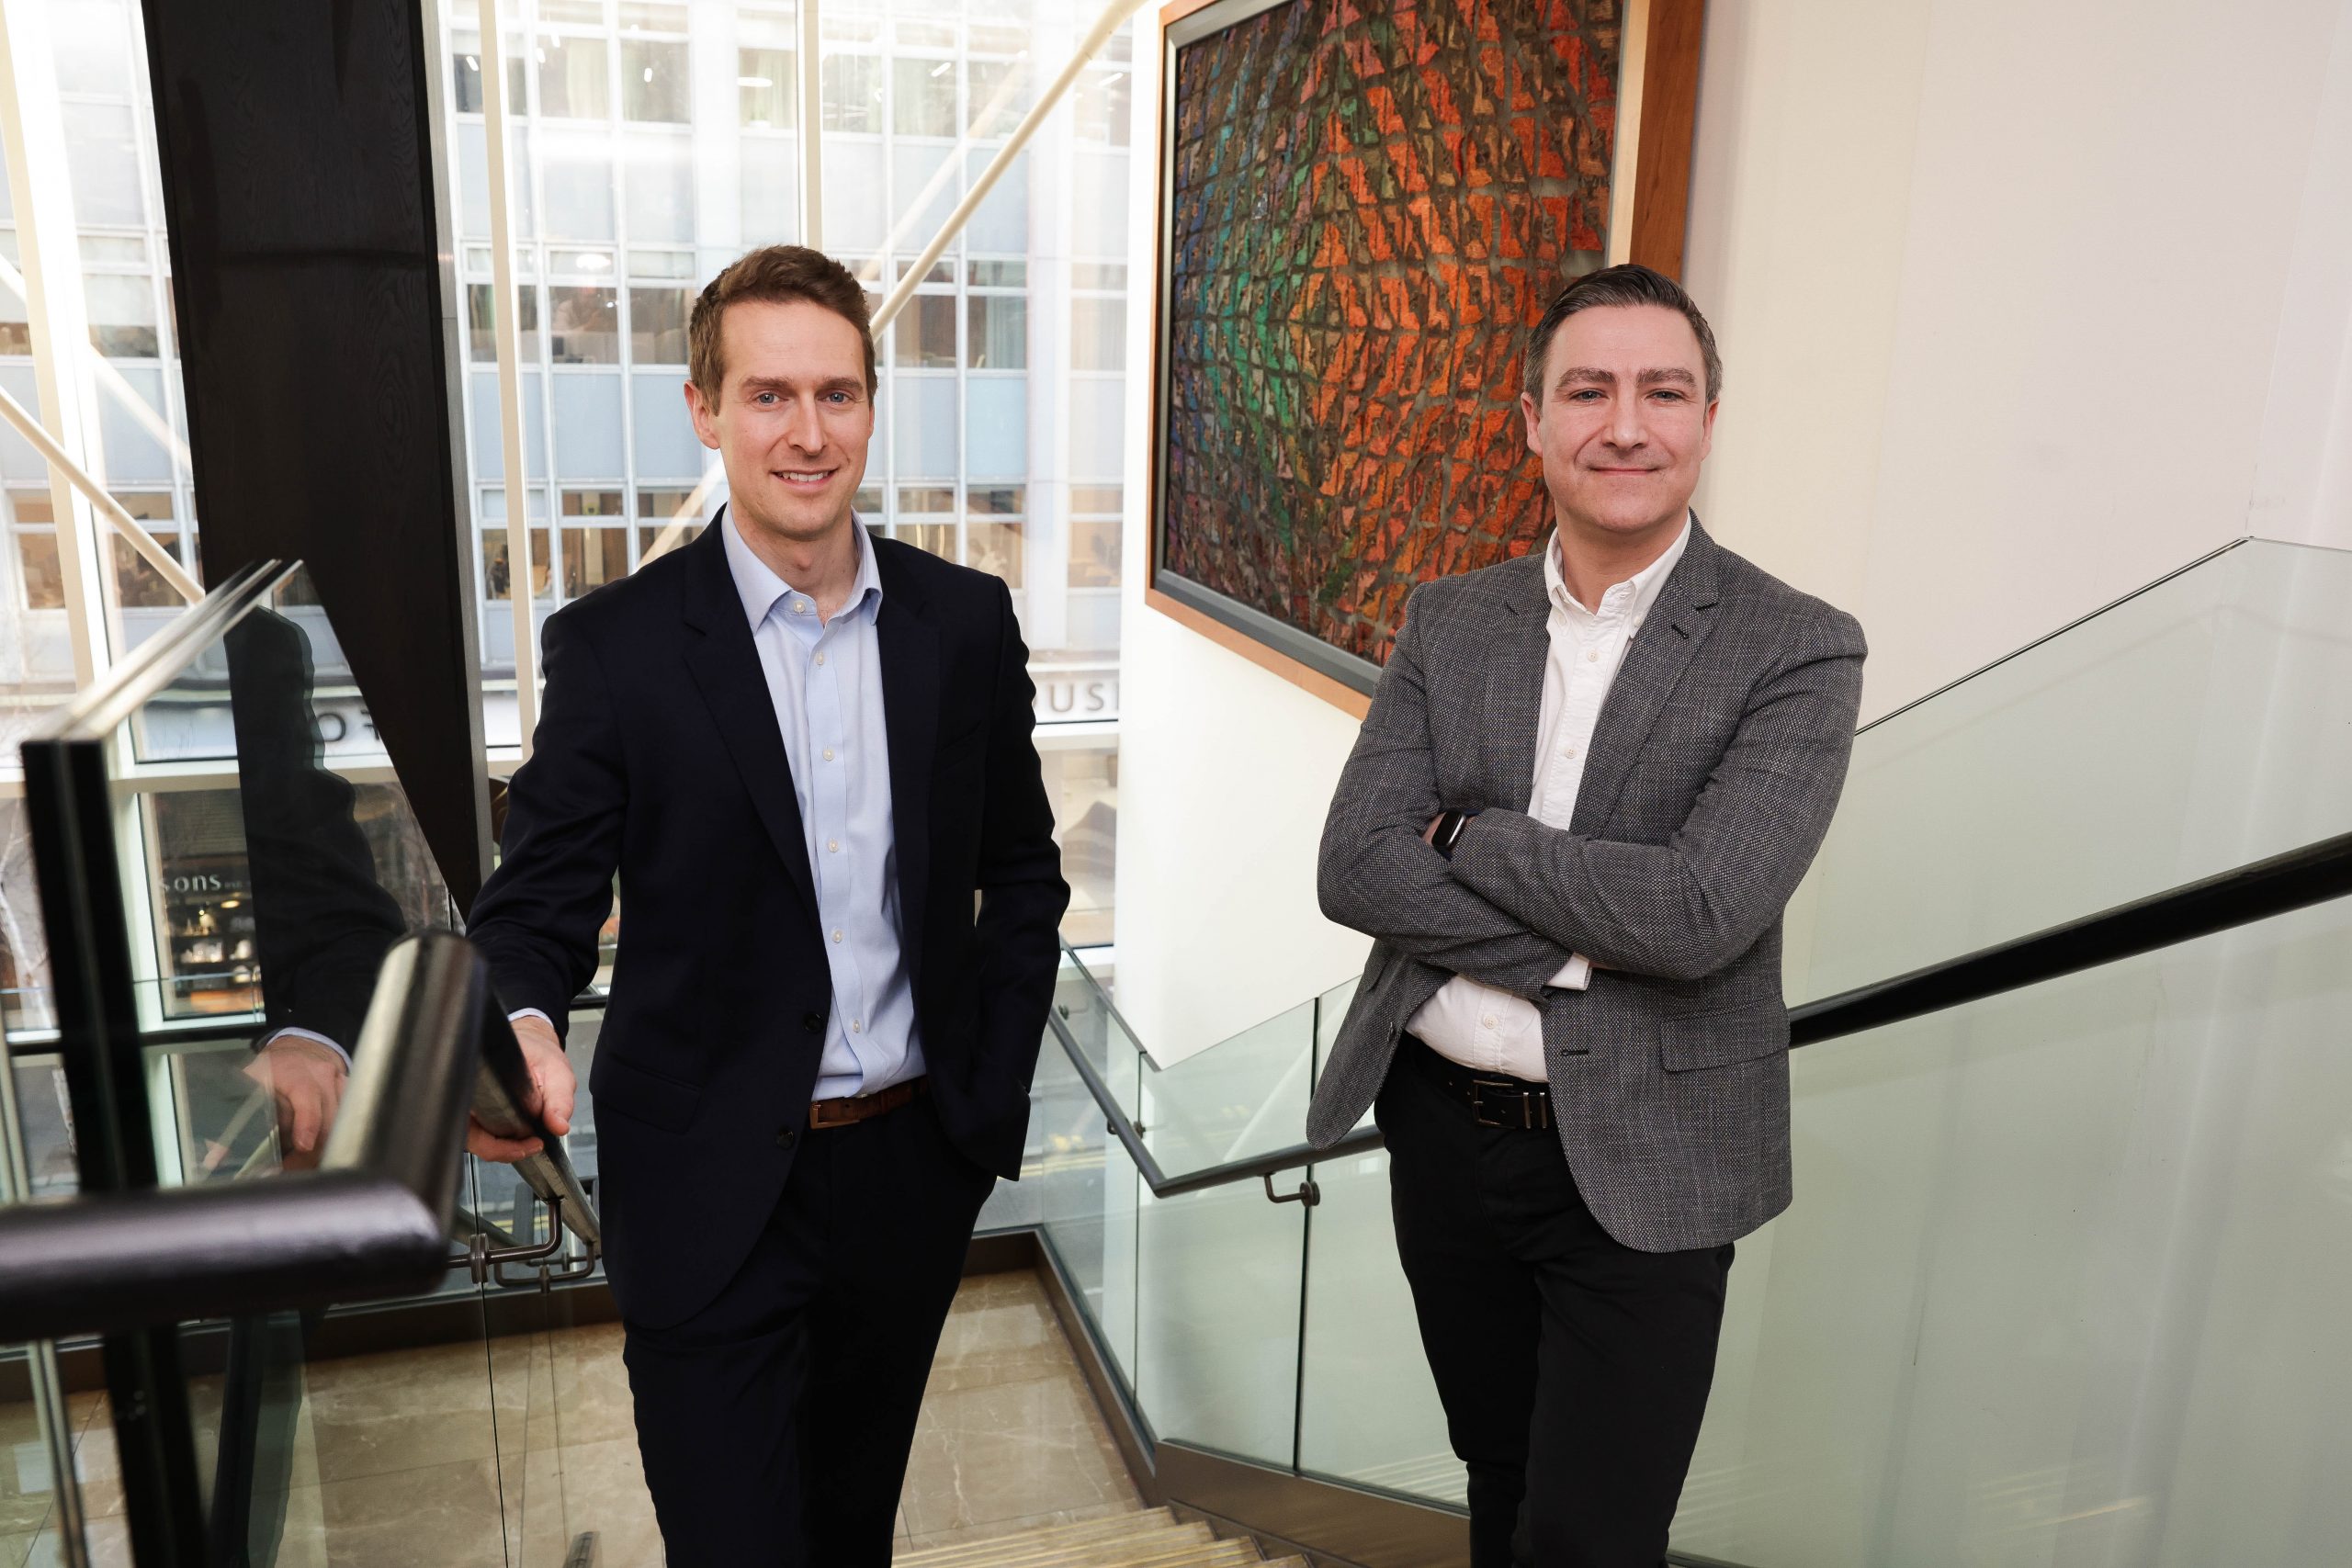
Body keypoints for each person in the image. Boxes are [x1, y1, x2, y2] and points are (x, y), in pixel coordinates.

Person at [464, 244, 1069, 1564]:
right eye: (769, 396)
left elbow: (1023, 874)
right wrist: (516, 1014)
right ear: (705, 409)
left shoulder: (962, 624)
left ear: (870, 405)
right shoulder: (616, 646)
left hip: (910, 1167)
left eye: (838, 396)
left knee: (851, 1530)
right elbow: (539, 905)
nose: (808, 434)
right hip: (703, 1186)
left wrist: (986, 1099)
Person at [1308, 264, 1866, 1567]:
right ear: (1533, 421)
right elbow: (1356, 866)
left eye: (1662, 391)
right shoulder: (1453, 619)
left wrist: (1478, 838)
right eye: (1589, 390)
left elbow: (1699, 913)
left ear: (1708, 417)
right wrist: (1580, 941)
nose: (1627, 424)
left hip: (1650, 1159)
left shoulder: (1795, 648)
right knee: (1497, 1478)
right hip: (1444, 1134)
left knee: (1595, 1537)